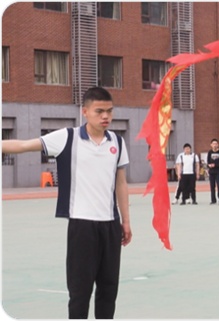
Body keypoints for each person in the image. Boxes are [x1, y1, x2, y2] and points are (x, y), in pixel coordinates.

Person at [2, 87, 132, 318]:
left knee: (108, 291)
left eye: (109, 111)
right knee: (80, 293)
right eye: (99, 111)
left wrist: (126, 221)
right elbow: (23, 145)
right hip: (82, 227)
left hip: (110, 225)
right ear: (85, 112)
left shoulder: (118, 143)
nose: (106, 117)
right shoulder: (67, 138)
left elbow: (120, 183)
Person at [207, 138, 219, 205]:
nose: (214, 145)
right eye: (213, 144)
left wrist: (215, 165)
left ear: (218, 145)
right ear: (211, 145)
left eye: (216, 144)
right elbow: (208, 161)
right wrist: (209, 165)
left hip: (218, 172)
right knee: (212, 186)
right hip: (211, 172)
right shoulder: (210, 152)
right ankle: (213, 200)